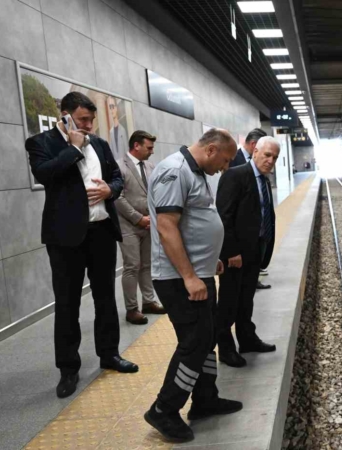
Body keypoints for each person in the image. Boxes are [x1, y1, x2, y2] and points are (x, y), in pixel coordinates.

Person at [25, 92, 139, 399]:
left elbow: (117, 179)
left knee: (105, 298)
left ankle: (109, 355)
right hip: (65, 239)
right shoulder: (40, 144)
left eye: (91, 120)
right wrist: (74, 147)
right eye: (82, 120)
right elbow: (45, 174)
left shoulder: (100, 145)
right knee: (67, 304)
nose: (89, 125)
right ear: (64, 116)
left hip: (101, 232)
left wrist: (109, 190)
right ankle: (68, 369)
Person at [145, 128, 242, 442]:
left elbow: (193, 222)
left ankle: (205, 399)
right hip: (178, 279)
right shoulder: (174, 171)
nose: (225, 167)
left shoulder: (196, 170)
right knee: (195, 341)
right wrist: (189, 275)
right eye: (225, 160)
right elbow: (166, 227)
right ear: (212, 149)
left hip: (197, 275)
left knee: (207, 336)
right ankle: (164, 408)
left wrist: (207, 259)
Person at [215, 136, 280, 368]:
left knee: (246, 300)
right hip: (235, 255)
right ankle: (225, 348)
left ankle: (247, 339)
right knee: (229, 302)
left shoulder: (263, 179)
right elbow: (224, 216)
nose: (270, 160)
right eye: (267, 155)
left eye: (274, 157)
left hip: (254, 251)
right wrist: (231, 251)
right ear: (255, 151)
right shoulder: (235, 175)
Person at [114, 130, 165, 325]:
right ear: (136, 145)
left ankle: (149, 302)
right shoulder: (119, 167)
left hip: (149, 224)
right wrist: (138, 218)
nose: (152, 151)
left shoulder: (151, 166)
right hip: (128, 225)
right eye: (149, 147)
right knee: (132, 266)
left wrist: (152, 217)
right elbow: (117, 198)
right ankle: (132, 309)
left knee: (147, 265)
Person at [230, 128, 272, 290]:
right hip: (243, 224)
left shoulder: (260, 165)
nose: (269, 160)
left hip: (259, 223)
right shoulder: (234, 160)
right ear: (255, 145)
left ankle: (254, 279)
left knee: (255, 257)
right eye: (266, 153)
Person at [107, 96, 128, 160]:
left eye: (112, 106)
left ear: (116, 108)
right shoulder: (111, 131)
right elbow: (111, 151)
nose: (111, 110)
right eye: (110, 107)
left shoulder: (123, 129)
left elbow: (126, 150)